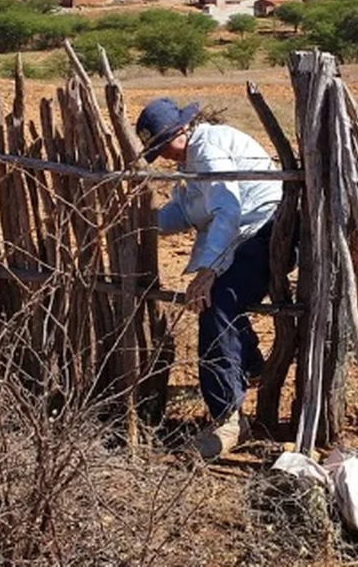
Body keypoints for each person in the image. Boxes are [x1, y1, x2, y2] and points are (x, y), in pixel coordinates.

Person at [135, 97, 282, 459]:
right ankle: (248, 365)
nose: (165, 155)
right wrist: (140, 220)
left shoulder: (209, 148)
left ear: (182, 129)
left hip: (266, 230)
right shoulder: (191, 162)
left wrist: (208, 270)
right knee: (219, 301)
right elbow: (185, 212)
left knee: (216, 299)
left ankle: (228, 418)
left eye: (164, 144)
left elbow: (228, 209)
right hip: (242, 235)